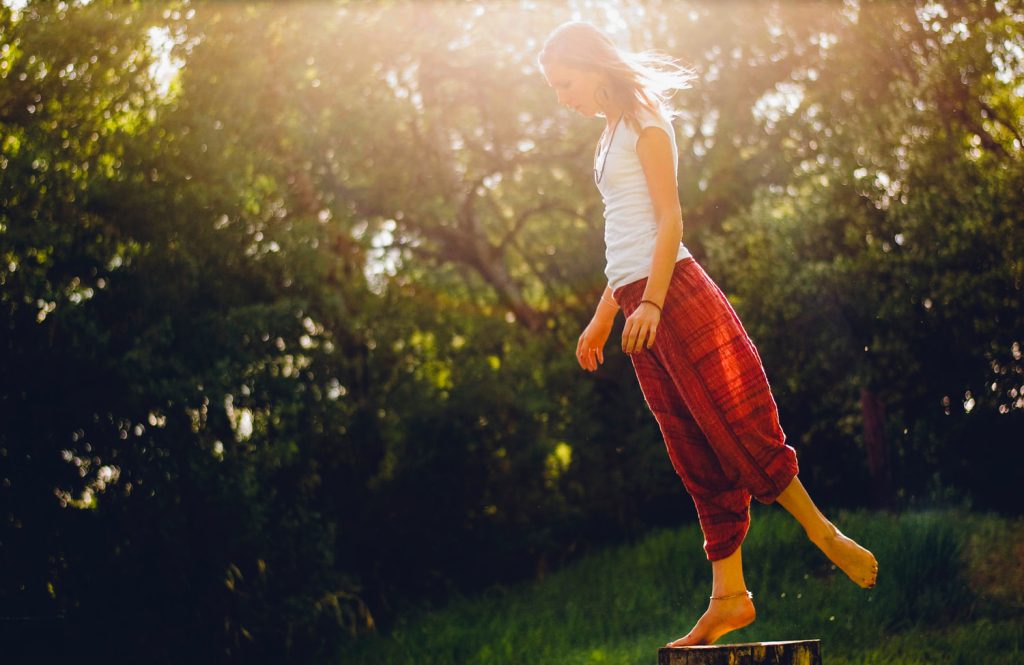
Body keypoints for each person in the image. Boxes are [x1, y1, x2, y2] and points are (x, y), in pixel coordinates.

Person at [537, 21, 878, 647]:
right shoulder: (607, 134)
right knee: (692, 447)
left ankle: (821, 531)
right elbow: (626, 237)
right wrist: (605, 314)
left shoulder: (643, 120)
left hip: (674, 294)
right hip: (638, 300)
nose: (563, 98)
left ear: (592, 65)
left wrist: (655, 305)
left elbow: (670, 219)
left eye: (566, 83)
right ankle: (729, 597)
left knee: (734, 421)